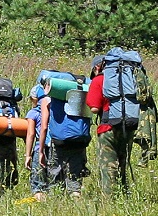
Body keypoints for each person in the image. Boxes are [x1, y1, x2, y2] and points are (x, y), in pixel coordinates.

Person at [85, 48, 150, 193]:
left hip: (108, 128)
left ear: (98, 67)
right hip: (130, 124)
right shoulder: (130, 77)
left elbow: (94, 108)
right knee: (123, 162)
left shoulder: (99, 80)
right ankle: (124, 194)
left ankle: (109, 201)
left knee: (108, 165)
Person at [28, 70, 90, 196]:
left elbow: (44, 127)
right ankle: (76, 203)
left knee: (55, 177)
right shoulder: (78, 96)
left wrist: (40, 151)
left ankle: (56, 205)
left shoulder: (48, 101)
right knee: (74, 180)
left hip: (58, 141)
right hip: (80, 140)